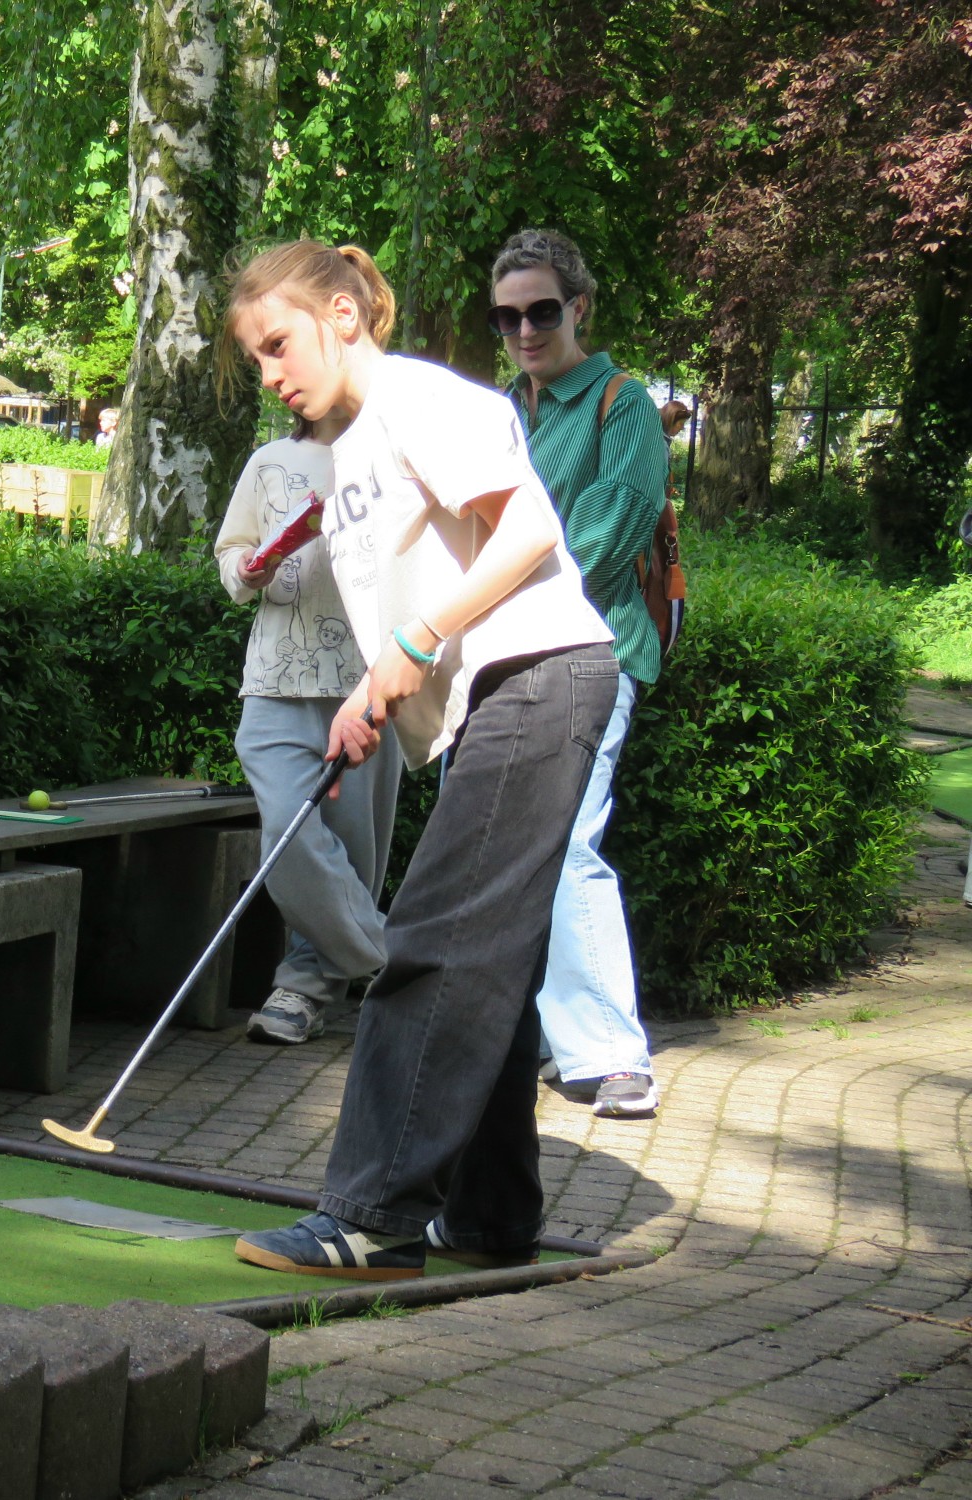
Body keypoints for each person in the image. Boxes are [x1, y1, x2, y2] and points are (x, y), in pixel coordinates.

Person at [225, 238, 618, 1280]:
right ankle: (488, 1217)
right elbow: (413, 599)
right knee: (484, 959)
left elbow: (527, 530)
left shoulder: (417, 400)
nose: (269, 373)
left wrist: (408, 647)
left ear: (343, 316)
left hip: (540, 675)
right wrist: (371, 695)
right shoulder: (349, 447)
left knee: (432, 948)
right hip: (491, 698)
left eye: (278, 344)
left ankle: (372, 1214)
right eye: (254, 357)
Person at [489, 228, 669, 1120]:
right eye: (509, 316)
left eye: (543, 310)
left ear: (579, 307)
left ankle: (615, 1052)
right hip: (500, 659)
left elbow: (609, 533)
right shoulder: (501, 412)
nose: (525, 329)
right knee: (511, 852)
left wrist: (493, 596)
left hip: (592, 654)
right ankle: (543, 1042)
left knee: (568, 842)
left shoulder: (621, 405)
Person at [215, 413, 401, 1045]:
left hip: (371, 679)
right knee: (288, 834)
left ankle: (305, 986)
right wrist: (246, 569)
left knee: (354, 846)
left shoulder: (394, 450)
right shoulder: (270, 459)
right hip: (273, 679)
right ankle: (401, 961)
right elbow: (230, 553)